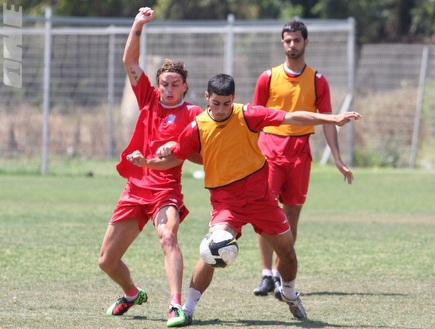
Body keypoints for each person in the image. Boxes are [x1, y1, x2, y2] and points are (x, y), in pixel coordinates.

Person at [126, 74, 361, 326]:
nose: (221, 109)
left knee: (288, 252)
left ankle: (290, 293)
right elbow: (177, 157)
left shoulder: (248, 114)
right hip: (226, 203)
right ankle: (188, 309)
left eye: (226, 104)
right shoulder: (197, 126)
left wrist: (332, 118)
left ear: (233, 99)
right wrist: (147, 163)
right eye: (216, 103)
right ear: (207, 98)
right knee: (212, 250)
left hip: (262, 200)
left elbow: (291, 117)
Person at [98, 7, 203, 328]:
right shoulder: (147, 100)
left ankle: (176, 306)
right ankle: (131, 293)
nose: (168, 89)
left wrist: (167, 155)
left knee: (168, 237)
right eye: (164, 83)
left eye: (175, 84)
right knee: (106, 261)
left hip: (166, 191)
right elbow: (129, 62)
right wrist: (137, 24)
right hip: (135, 190)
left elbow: (194, 157)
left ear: (185, 86)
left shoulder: (195, 113)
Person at [252, 19, 356, 297]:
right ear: (282, 42)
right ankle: (265, 274)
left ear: (305, 42)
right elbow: (254, 119)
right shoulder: (268, 77)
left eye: (297, 40)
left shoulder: (318, 80)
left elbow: (327, 121)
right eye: (287, 40)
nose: (292, 45)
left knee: (291, 214)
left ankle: (277, 272)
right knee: (265, 212)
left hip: (300, 152)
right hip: (270, 150)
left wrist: (337, 157)